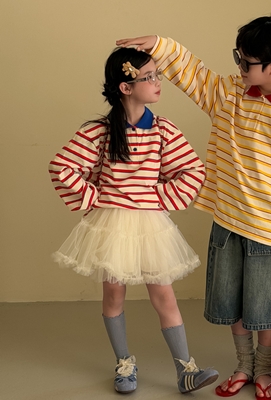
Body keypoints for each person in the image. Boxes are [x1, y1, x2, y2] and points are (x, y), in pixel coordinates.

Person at [116, 14, 271, 400]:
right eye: (237, 57)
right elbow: (192, 72)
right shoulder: (227, 93)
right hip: (227, 222)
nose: (238, 66)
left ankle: (264, 370)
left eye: (246, 62)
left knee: (265, 308)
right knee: (232, 304)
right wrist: (160, 43)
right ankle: (243, 365)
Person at [48, 46, 219, 395]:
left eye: (158, 75)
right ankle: (124, 363)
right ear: (126, 87)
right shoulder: (99, 131)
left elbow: (193, 170)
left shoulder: (163, 129)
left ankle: (186, 369)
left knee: (164, 295)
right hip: (112, 225)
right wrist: (95, 198)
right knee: (113, 293)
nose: (158, 82)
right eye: (149, 77)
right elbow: (62, 167)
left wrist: (158, 198)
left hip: (150, 226)